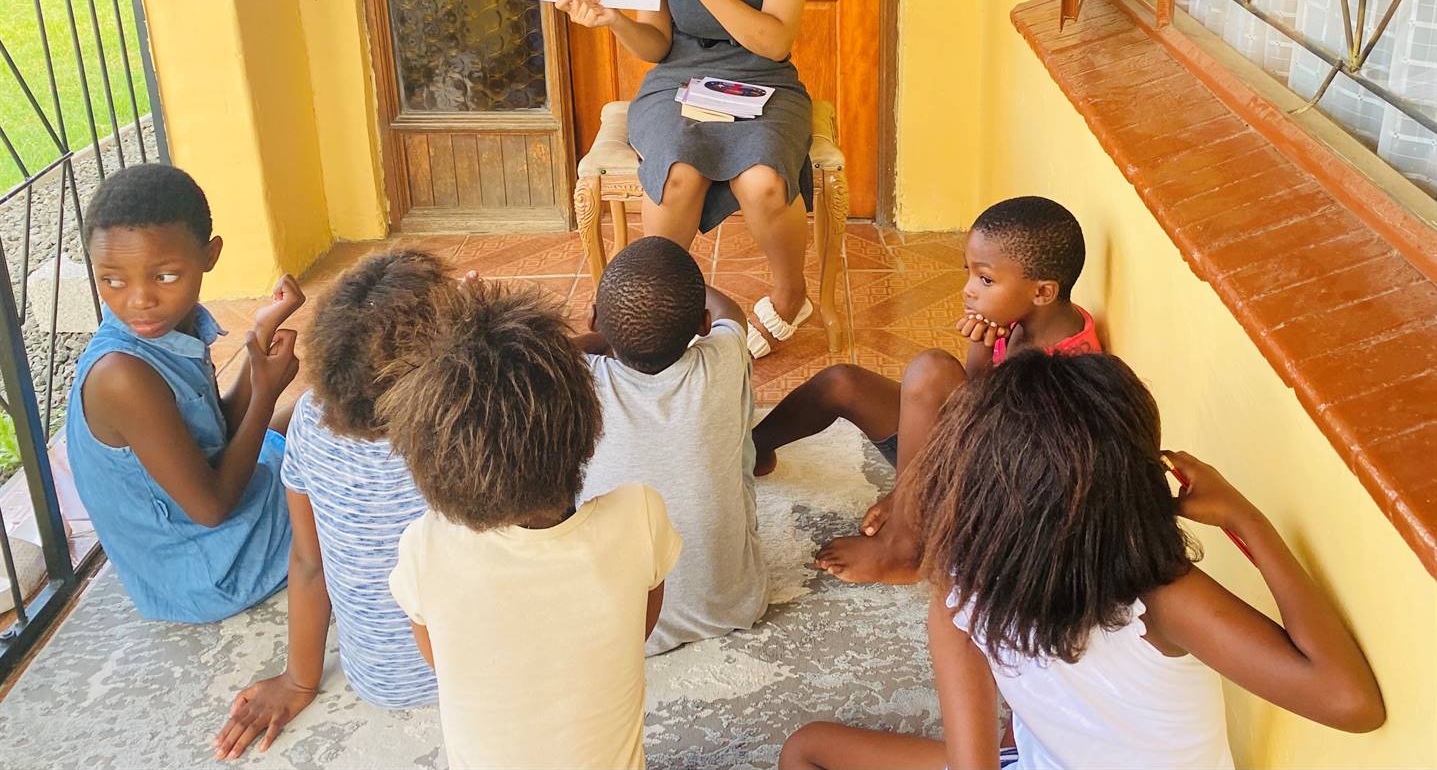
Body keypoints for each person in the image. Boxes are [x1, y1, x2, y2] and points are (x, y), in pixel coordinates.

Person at [780, 352, 1386, 770]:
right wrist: (1247, 521)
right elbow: (1347, 701)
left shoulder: (960, 594)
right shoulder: (1165, 599)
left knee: (807, 749)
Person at [556, 0, 814, 360]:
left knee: (764, 181)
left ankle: (791, 294)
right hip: (678, 79)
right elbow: (655, 45)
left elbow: (773, 42)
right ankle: (654, 314)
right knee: (677, 174)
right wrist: (614, 21)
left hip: (763, 77)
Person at [384, 280, 682, 769]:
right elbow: (639, 629)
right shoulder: (640, 516)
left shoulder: (424, 547)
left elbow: (442, 658)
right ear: (587, 428)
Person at [752, 196, 1100, 584]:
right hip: (971, 450)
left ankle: (905, 549)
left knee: (932, 371)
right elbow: (973, 397)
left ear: (1042, 292)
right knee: (842, 383)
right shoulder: (1019, 317)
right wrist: (982, 345)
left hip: (1004, 492)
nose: (968, 290)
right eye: (968, 272)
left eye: (985, 279)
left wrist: (909, 497)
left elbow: (997, 445)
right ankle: (751, 450)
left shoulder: (1067, 366)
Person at [213, 250, 451, 760]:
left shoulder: (309, 420)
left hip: (379, 679)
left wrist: (299, 680)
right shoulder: (459, 428)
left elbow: (308, 560)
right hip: (475, 674)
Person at [65, 163, 300, 623]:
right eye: (112, 280)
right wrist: (266, 394)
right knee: (351, 478)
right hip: (207, 569)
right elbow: (211, 508)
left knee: (323, 412)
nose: (138, 300)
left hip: (216, 516)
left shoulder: (172, 328)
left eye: (164, 276)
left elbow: (218, 430)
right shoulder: (122, 375)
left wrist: (257, 347)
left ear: (209, 255)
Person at [575, 236, 767, 654]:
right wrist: (689, 284)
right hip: (732, 605)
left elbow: (552, 350)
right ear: (700, 326)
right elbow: (731, 314)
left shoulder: (578, 382)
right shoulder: (725, 356)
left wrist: (603, 334)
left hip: (623, 629)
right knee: (738, 421)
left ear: (593, 319)